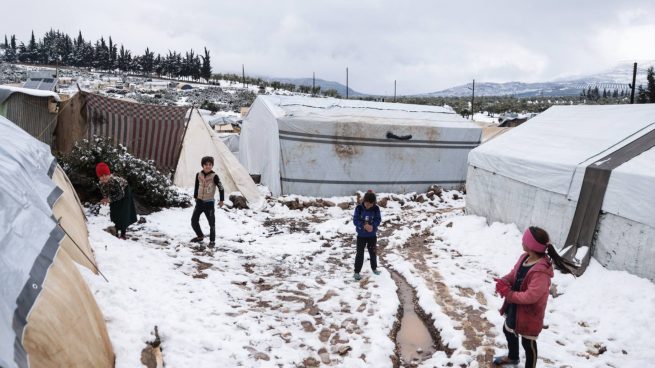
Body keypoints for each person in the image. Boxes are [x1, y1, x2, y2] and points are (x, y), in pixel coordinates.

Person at [493, 226, 567, 367]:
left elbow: (530, 296)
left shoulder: (541, 272)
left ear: (531, 245)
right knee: (508, 330)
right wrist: (504, 280)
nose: (521, 241)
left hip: (529, 314)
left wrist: (509, 294)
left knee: (528, 343)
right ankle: (513, 357)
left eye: (524, 240)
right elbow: (514, 274)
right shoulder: (524, 258)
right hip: (515, 307)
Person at [96, 162, 137, 240]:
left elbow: (121, 195)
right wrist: (105, 199)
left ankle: (123, 233)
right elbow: (105, 193)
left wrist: (109, 199)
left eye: (106, 175)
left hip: (124, 192)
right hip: (114, 194)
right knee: (114, 210)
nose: (104, 177)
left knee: (123, 212)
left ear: (109, 174)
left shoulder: (115, 181)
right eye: (101, 176)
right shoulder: (101, 184)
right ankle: (116, 229)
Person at [190, 156, 224, 247]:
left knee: (211, 223)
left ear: (212, 166)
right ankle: (200, 236)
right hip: (200, 202)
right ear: (202, 165)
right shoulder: (198, 174)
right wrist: (195, 196)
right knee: (194, 221)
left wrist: (221, 200)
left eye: (210, 164)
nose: (208, 166)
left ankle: (212, 241)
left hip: (209, 203)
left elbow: (221, 188)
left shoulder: (214, 176)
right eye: (206, 164)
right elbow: (196, 186)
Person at [352, 190, 382, 280]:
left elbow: (378, 219)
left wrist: (373, 226)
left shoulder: (376, 209)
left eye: (370, 204)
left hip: (372, 236)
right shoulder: (359, 208)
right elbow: (355, 220)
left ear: (374, 203)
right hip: (361, 236)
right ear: (363, 201)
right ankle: (357, 272)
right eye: (366, 203)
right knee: (359, 253)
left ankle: (374, 268)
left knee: (373, 252)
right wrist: (363, 225)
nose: (368, 206)